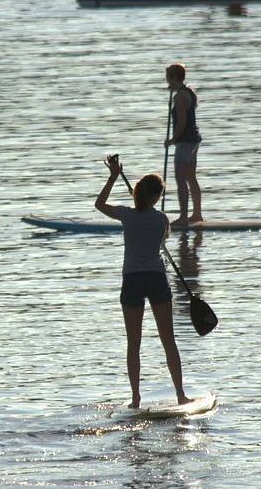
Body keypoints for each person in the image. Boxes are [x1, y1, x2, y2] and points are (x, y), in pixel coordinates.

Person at [95, 154, 191, 409]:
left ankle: (136, 398)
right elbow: (163, 235)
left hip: (132, 281)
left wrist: (113, 177)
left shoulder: (126, 215)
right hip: (156, 279)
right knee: (168, 340)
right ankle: (181, 395)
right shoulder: (161, 219)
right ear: (156, 197)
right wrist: (147, 207)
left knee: (133, 343)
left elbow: (99, 204)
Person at [163, 63, 203, 225]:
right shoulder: (189, 93)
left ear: (174, 77)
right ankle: (197, 214)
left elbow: (182, 123)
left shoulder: (179, 97)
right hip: (194, 140)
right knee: (191, 177)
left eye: (168, 79)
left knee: (180, 178)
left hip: (185, 141)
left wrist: (172, 140)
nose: (167, 82)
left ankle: (183, 217)